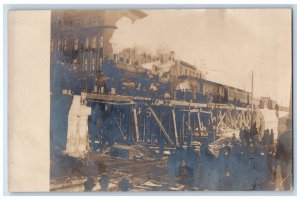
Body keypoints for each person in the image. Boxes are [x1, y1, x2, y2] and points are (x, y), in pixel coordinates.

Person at [275, 117, 292, 190]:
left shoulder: (282, 137)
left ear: (284, 126)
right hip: (291, 162)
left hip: (284, 163)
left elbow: (278, 152)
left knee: (286, 182)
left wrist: (275, 161)